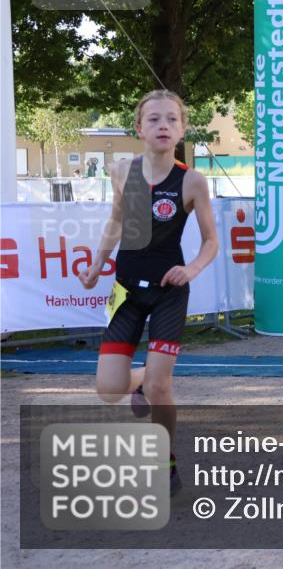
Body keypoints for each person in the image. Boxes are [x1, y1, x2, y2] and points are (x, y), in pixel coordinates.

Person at [78, 89, 219, 497]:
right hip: (126, 290)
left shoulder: (191, 180)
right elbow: (116, 223)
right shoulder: (123, 171)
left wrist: (189, 269)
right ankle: (139, 381)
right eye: (154, 119)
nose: (163, 125)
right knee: (108, 391)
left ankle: (165, 460)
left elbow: (211, 242)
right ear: (139, 128)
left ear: (182, 129)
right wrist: (96, 264)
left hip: (168, 292)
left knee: (162, 388)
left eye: (172, 119)